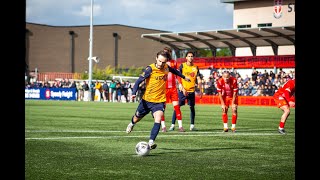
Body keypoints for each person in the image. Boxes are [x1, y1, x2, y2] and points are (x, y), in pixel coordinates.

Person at [126, 50, 191, 150]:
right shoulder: (149, 69)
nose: (161, 64)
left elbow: (174, 71)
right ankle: (131, 124)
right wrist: (134, 93)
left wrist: (183, 77)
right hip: (147, 100)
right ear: (156, 59)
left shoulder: (166, 67)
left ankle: (151, 142)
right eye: (159, 61)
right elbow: (139, 81)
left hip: (159, 101)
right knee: (137, 117)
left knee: (158, 118)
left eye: (163, 62)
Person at [173, 51, 202, 131]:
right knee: (177, 107)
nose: (190, 57)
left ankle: (192, 126)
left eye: (192, 56)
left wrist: (200, 90)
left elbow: (199, 79)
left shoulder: (195, 68)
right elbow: (178, 76)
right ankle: (172, 125)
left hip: (191, 91)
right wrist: (181, 86)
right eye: (189, 56)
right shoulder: (182, 66)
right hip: (182, 90)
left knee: (192, 107)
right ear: (186, 57)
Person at [161, 47, 185, 132]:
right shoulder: (161, 63)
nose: (166, 53)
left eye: (167, 52)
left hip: (173, 89)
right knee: (162, 108)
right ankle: (163, 127)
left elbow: (178, 74)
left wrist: (180, 83)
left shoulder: (174, 62)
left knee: (177, 107)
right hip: (164, 89)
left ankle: (180, 127)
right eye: (164, 52)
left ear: (170, 53)